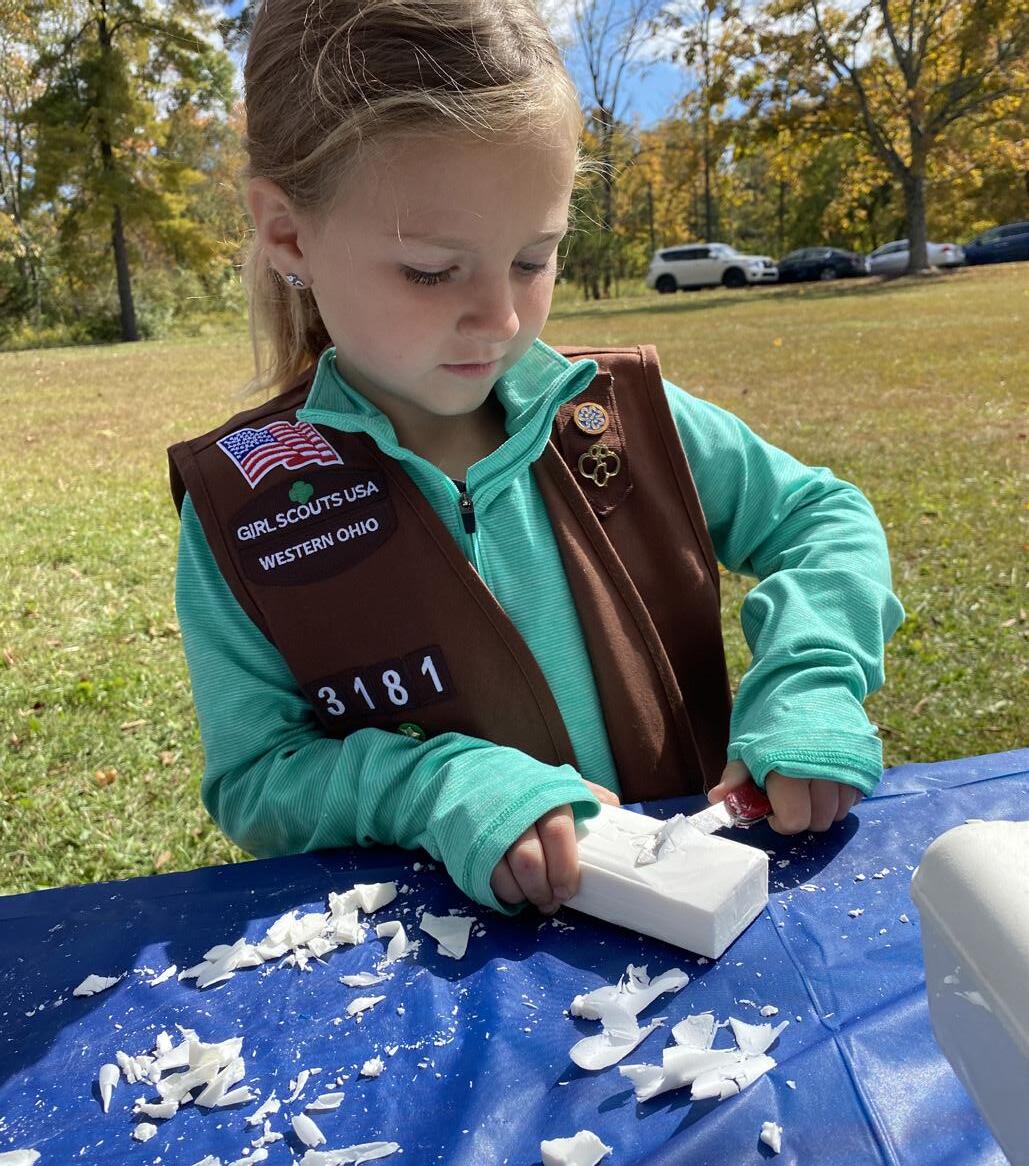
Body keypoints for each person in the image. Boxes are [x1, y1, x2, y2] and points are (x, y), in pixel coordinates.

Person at [170, 0, 904, 921]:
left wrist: (809, 681)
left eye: (532, 258)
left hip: (726, 934)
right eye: (431, 270)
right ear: (287, 234)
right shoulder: (245, 504)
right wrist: (437, 785)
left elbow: (819, 518)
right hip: (447, 975)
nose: (501, 320)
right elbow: (258, 777)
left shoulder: (616, 417)